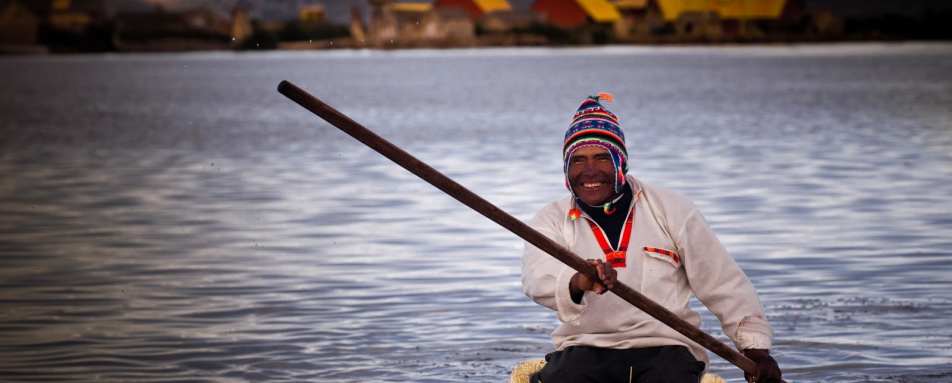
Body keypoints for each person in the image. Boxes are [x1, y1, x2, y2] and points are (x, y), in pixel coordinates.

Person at [521, 94, 782, 383]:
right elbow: (537, 280)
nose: (590, 171)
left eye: (602, 158)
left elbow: (723, 283)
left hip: (667, 349)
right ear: (567, 169)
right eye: (578, 160)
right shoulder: (551, 218)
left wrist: (756, 350)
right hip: (584, 347)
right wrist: (579, 280)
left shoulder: (671, 209)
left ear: (621, 161)